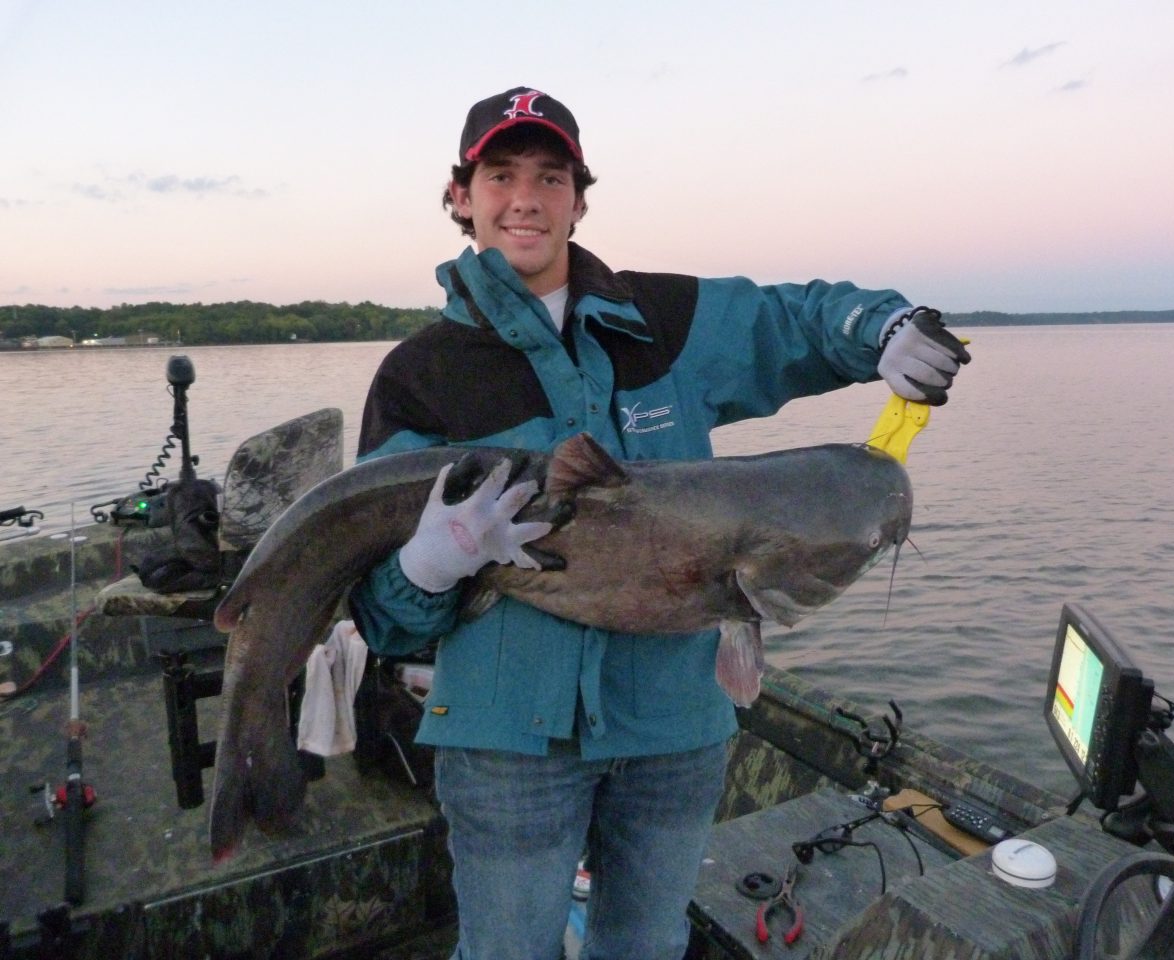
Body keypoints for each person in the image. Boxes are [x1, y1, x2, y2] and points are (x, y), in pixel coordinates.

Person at [348, 86, 969, 960]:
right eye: (501, 175)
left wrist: (884, 327)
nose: (526, 198)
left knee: (646, 945)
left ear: (580, 198)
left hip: (675, 733)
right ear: (461, 195)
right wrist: (427, 565)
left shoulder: (665, 322)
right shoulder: (419, 376)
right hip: (505, 746)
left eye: (551, 177)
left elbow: (796, 318)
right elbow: (382, 620)